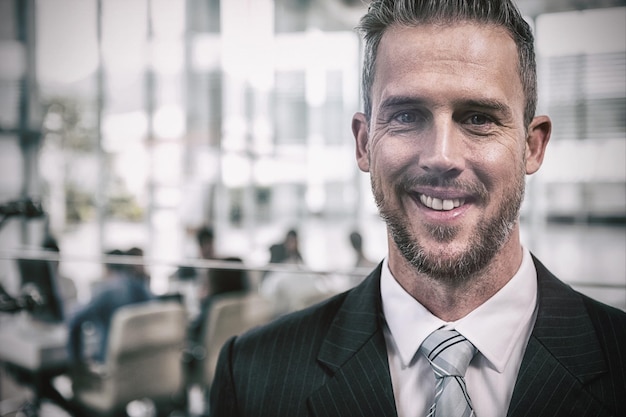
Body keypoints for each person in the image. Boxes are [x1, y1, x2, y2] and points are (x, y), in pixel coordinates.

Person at [209, 1, 626, 416]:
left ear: (532, 146)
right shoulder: (252, 375)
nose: (442, 156)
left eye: (478, 118)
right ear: (363, 142)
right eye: (407, 115)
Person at [67, 249, 153, 365]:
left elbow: (74, 321)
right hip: (140, 363)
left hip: (111, 363)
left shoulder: (106, 292)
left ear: (106, 267)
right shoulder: (141, 288)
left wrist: (77, 365)